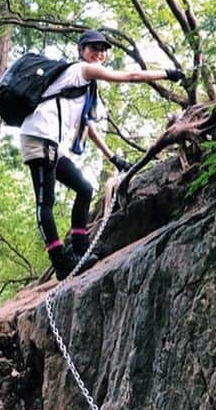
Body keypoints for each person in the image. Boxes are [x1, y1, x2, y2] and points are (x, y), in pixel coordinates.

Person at [19, 29, 184, 279]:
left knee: (84, 188)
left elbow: (89, 126)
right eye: (93, 48)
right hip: (38, 136)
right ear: (81, 50)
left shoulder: (85, 86)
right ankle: (61, 261)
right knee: (46, 201)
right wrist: (167, 73)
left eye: (103, 49)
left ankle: (80, 246)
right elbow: (130, 76)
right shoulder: (81, 70)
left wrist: (113, 158)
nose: (99, 53)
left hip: (52, 143)